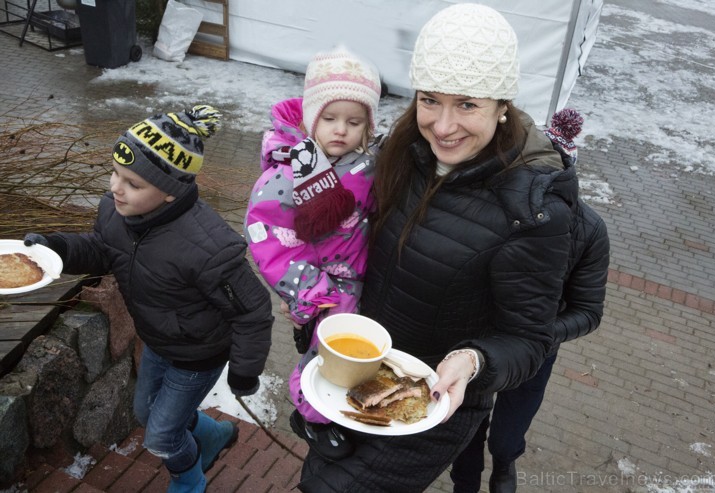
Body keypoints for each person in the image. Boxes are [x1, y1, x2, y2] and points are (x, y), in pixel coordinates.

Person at [295, 4, 580, 492]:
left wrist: (474, 362)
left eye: (467, 104)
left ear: (501, 105)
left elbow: (530, 340)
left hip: (431, 406)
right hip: (355, 372)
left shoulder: (533, 207)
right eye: (430, 100)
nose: (443, 126)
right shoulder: (399, 153)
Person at [24, 105, 274, 493]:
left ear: (170, 193)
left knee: (160, 437)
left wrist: (245, 370)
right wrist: (55, 249)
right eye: (115, 173)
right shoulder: (115, 212)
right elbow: (101, 250)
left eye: (133, 183)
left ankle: (190, 482)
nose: (115, 188)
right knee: (145, 412)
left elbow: (253, 310)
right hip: (157, 341)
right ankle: (212, 436)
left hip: (198, 353)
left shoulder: (210, 248)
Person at [449, 109, 611, 493]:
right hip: (477, 341)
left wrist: (538, 332)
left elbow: (589, 311)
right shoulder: (496, 209)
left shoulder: (589, 230)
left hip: (536, 350)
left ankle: (505, 462)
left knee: (507, 433)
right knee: (467, 423)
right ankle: (464, 481)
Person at [244, 46, 382, 461]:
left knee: (362, 352)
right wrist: (309, 292)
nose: (341, 130)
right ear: (309, 117)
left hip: (364, 276)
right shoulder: (286, 176)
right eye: (329, 118)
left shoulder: (368, 163)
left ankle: (344, 406)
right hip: (324, 286)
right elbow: (268, 238)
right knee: (326, 353)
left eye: (354, 121)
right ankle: (311, 416)